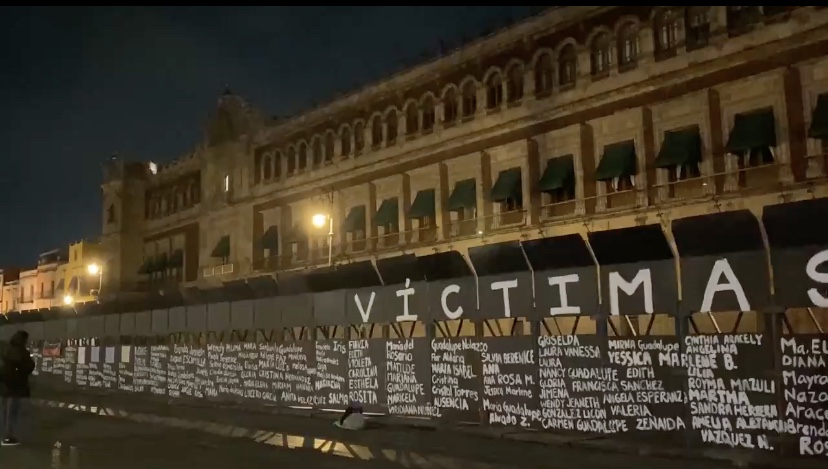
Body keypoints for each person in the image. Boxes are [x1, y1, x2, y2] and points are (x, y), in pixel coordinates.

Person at [0, 330, 35, 446]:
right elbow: (30, 366)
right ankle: (9, 437)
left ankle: (5, 434)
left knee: (5, 411)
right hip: (16, 386)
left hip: (5, 386)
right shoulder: (21, 352)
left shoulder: (7, 349)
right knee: (12, 412)